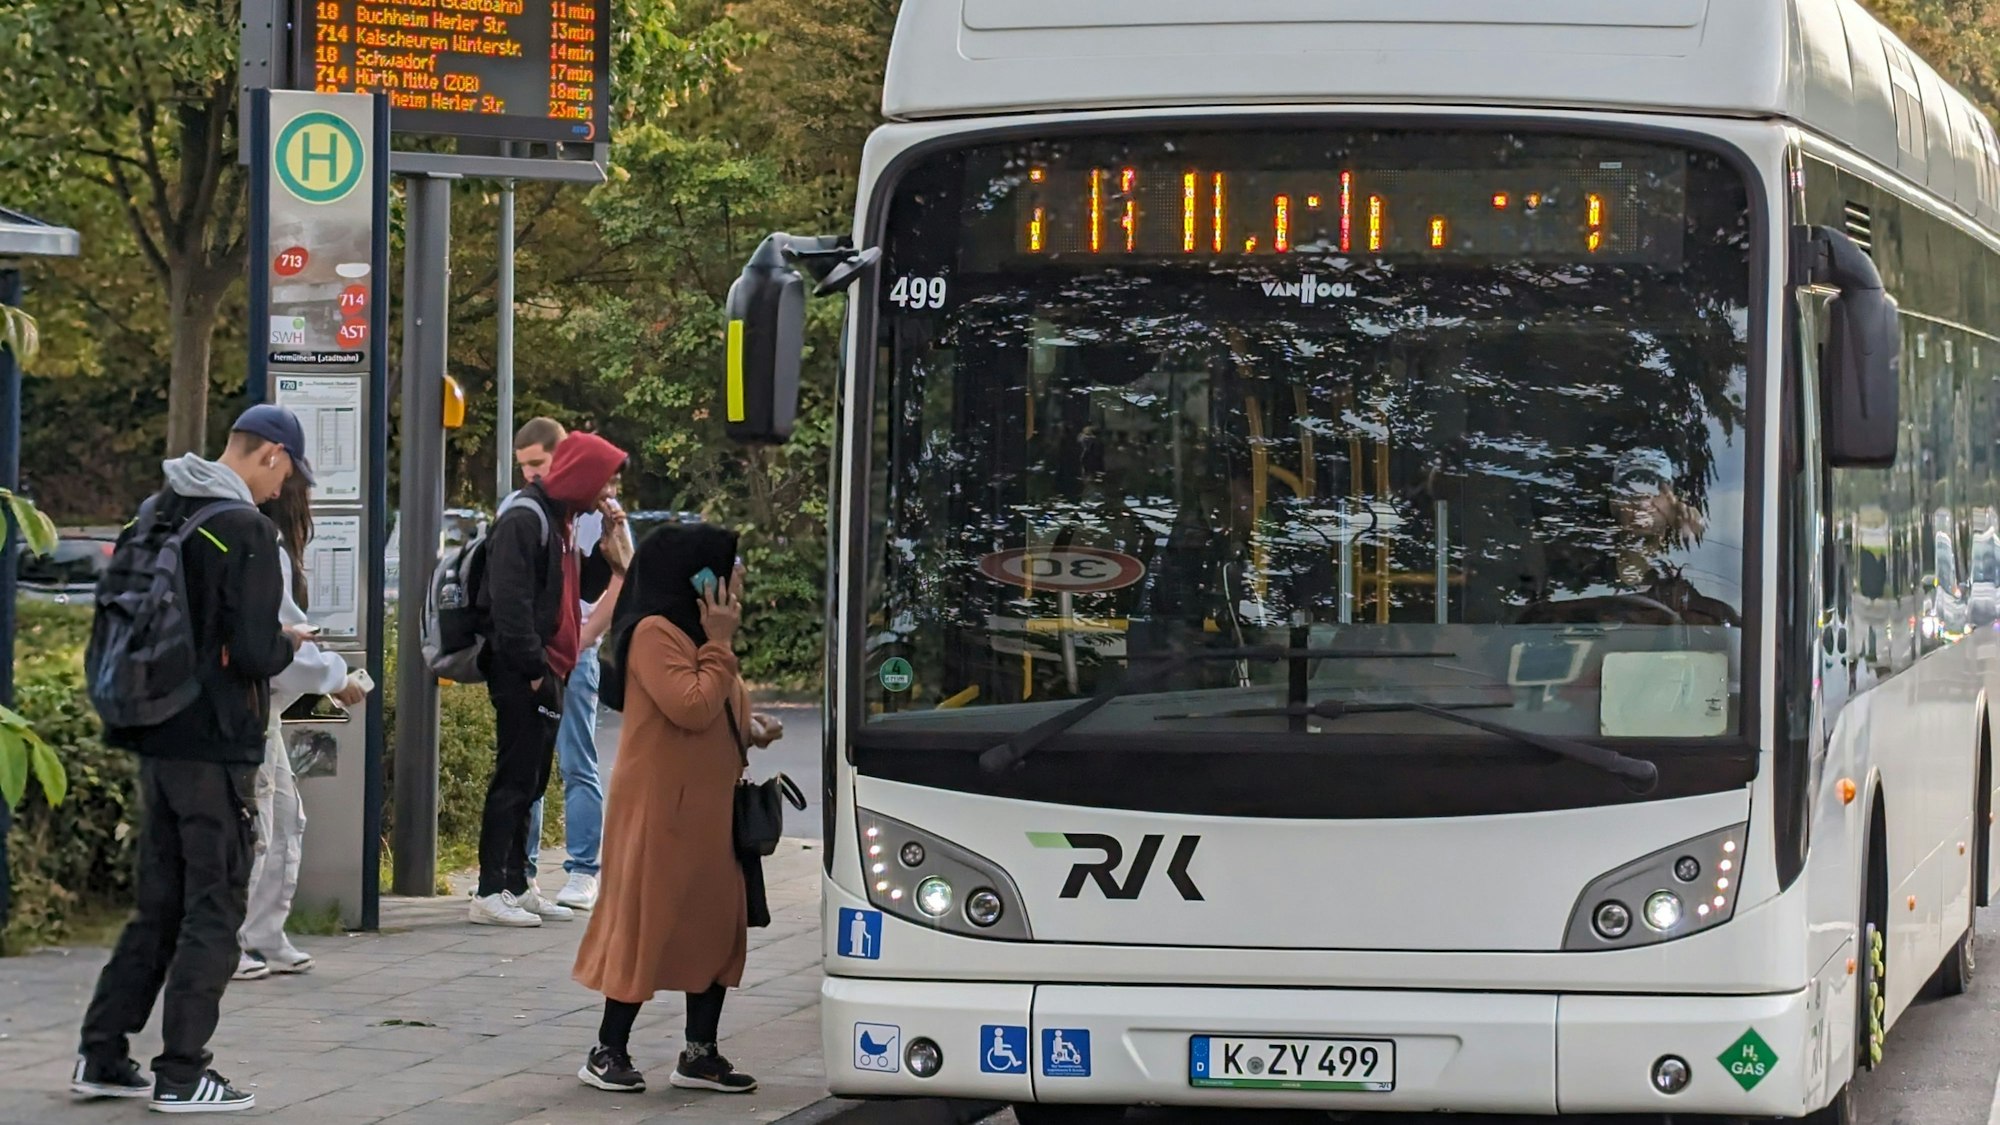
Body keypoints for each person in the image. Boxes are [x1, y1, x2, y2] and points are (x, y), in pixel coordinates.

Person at [72, 405, 314, 1114]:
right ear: (269, 454)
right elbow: (255, 650)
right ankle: (183, 1070)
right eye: (286, 472)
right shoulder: (243, 529)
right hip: (216, 744)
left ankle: (103, 1052)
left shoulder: (158, 511)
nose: (282, 489)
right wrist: (291, 641)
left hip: (153, 733)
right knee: (215, 903)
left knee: (159, 902)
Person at [572, 525, 782, 1095]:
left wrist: (751, 728)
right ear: (696, 581)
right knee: (649, 923)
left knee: (713, 926)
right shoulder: (654, 633)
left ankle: (700, 1053)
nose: (737, 578)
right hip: (661, 812)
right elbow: (689, 705)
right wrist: (720, 643)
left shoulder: (695, 636)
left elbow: (711, 703)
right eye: (727, 569)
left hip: (709, 815)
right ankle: (607, 1049)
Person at [470, 430, 629, 927]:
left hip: (550, 667)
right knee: (514, 778)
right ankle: (489, 889)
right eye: (604, 483)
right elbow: (510, 603)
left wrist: (608, 556)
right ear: (581, 477)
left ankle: (517, 883)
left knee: (533, 779)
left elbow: (572, 586)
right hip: (526, 671)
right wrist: (536, 671)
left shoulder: (560, 519)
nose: (608, 493)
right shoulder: (526, 516)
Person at [234, 473, 371, 981]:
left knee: (287, 820)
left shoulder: (266, 547)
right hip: (255, 705)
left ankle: (265, 934)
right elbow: (284, 641)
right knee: (262, 825)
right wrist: (333, 679)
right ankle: (235, 941)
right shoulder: (267, 547)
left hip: (265, 703)